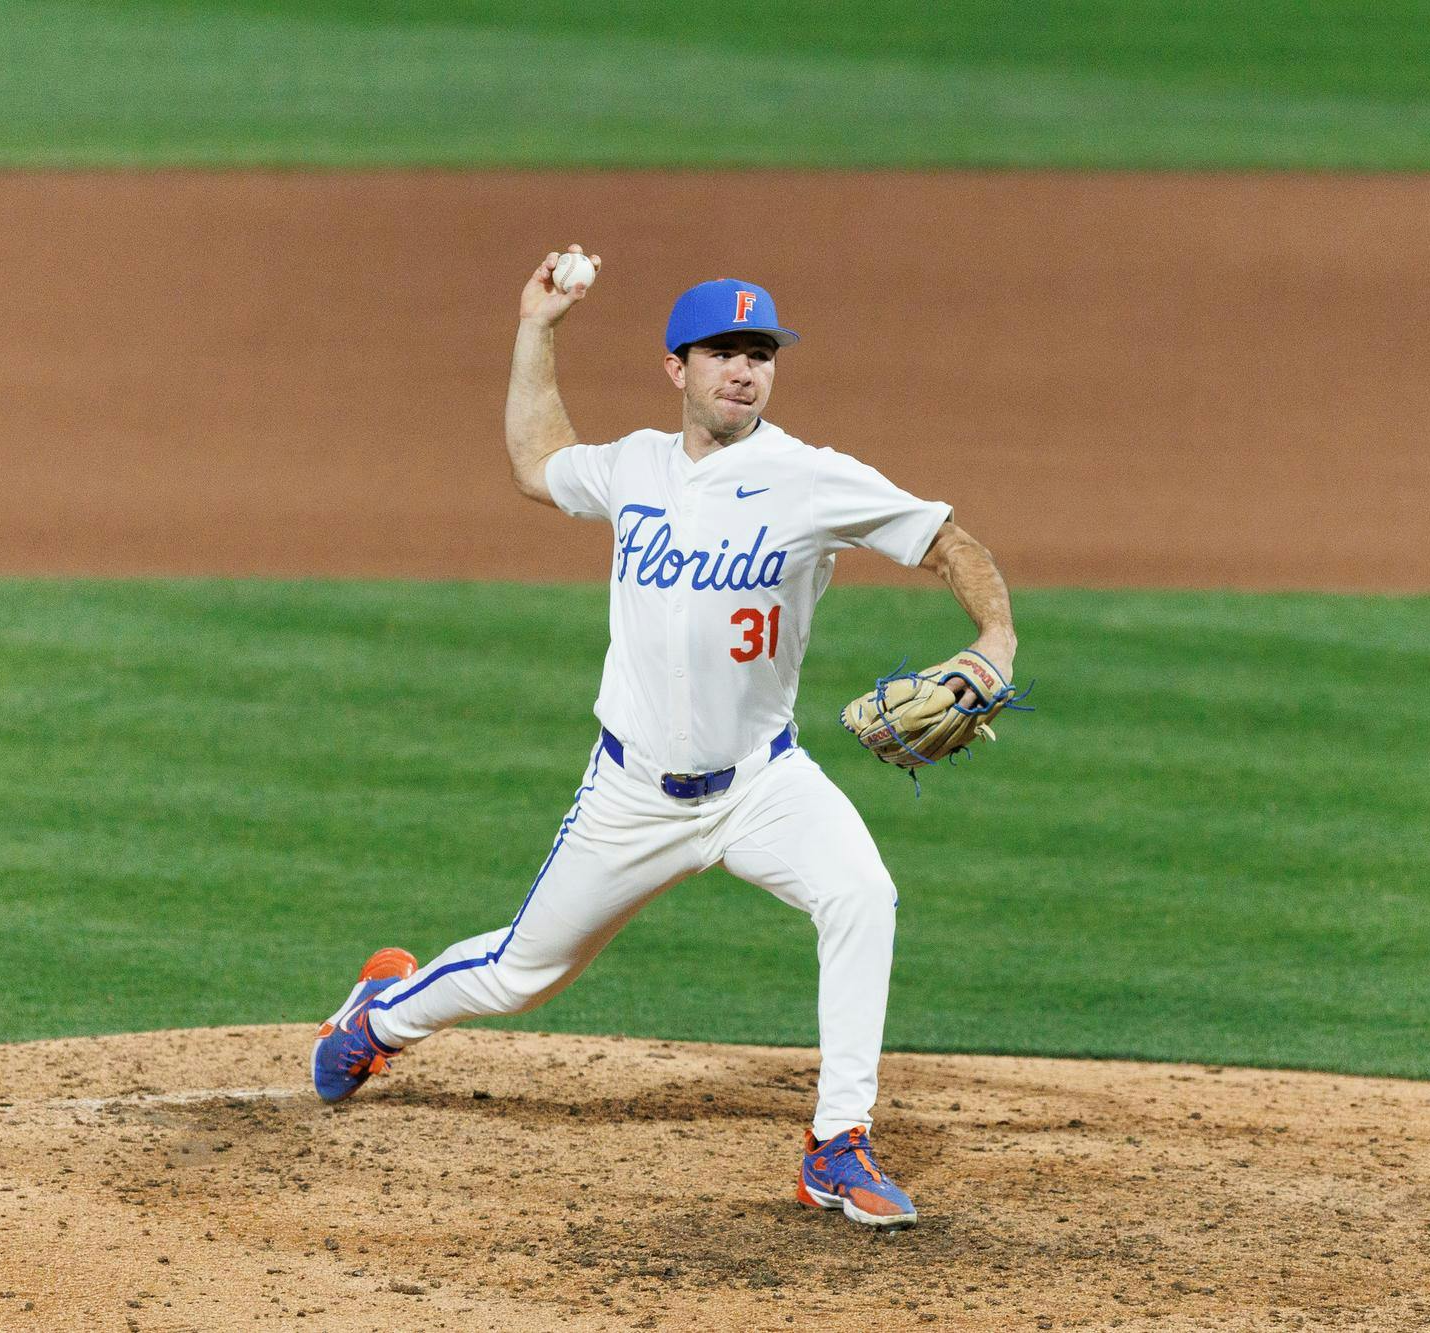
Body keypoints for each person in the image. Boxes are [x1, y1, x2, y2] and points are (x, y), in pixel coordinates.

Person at [312, 245, 1020, 1230]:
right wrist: (537, 327)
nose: (743, 369)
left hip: (761, 784)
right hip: (632, 793)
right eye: (721, 350)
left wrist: (994, 636)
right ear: (675, 367)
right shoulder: (634, 467)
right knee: (521, 974)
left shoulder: (810, 479)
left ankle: (837, 1144)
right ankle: (379, 1013)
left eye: (758, 352)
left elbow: (947, 539)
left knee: (861, 894)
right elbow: (535, 460)